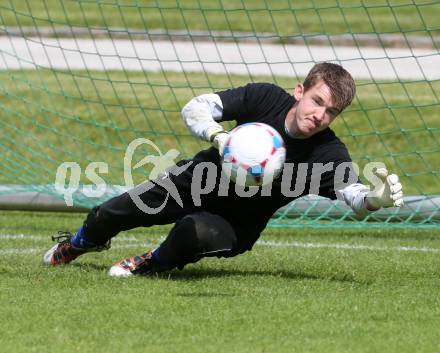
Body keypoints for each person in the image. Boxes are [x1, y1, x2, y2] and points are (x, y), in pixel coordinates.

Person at [43, 62, 404, 276]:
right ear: (300, 91)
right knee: (110, 212)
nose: (319, 115)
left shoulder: (327, 151)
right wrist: (220, 137)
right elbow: (195, 107)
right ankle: (81, 243)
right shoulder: (264, 97)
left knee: (190, 233)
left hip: (235, 224)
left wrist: (375, 198)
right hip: (193, 182)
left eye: (331, 112)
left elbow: (353, 196)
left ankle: (150, 263)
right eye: (317, 101)